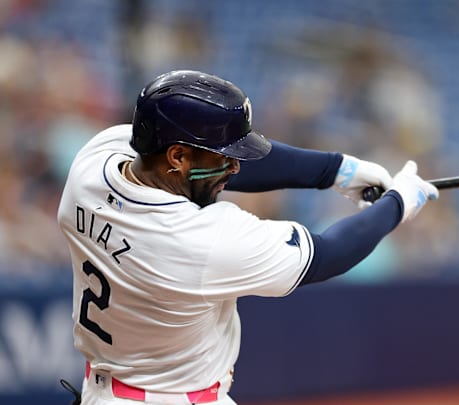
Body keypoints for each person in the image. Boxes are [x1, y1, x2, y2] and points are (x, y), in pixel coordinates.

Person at [56, 70, 438, 404]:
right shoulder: (200, 241)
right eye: (224, 156)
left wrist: (337, 170)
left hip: (104, 392)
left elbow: (205, 169)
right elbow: (327, 255)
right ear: (176, 157)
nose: (235, 166)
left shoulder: (94, 163)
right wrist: (397, 204)